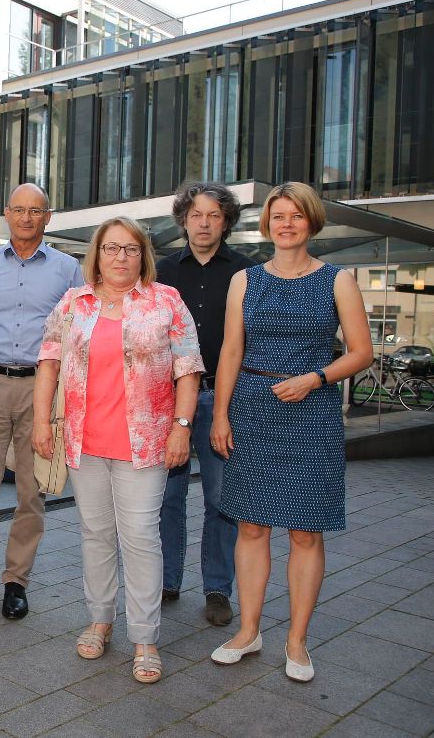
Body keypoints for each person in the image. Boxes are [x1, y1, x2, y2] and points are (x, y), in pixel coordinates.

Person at [209, 182, 371, 682]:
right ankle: (249, 631)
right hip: (253, 410)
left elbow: (361, 352)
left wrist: (316, 378)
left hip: (312, 411)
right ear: (267, 224)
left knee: (305, 531)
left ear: (311, 222)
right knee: (251, 526)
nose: (285, 224)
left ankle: (297, 641)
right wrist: (220, 414)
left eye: (295, 216)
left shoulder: (338, 280)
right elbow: (231, 352)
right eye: (277, 216)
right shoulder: (245, 280)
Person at [34, 216, 202, 684]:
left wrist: (181, 428)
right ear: (97, 254)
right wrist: (40, 422)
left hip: (145, 443)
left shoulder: (166, 301)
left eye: (130, 249)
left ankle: (145, 639)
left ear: (142, 254)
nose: (121, 257)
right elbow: (48, 362)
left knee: (142, 538)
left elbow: (188, 370)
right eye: (111, 248)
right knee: (95, 533)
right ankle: (100, 620)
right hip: (85, 441)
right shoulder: (73, 303)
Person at [0, 184, 82, 621]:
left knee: (31, 490)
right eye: (19, 209)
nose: (26, 217)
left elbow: (79, 329)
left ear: (49, 216)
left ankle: (16, 581)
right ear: (6, 213)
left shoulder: (68, 269)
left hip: (42, 389)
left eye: (36, 210)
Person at [156, 182, 254, 626]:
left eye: (214, 215)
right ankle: (166, 581)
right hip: (167, 397)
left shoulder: (248, 273)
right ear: (183, 219)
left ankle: (217, 588)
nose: (204, 223)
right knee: (167, 496)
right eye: (196, 214)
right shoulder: (160, 271)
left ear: (226, 221)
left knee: (220, 498)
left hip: (221, 397)